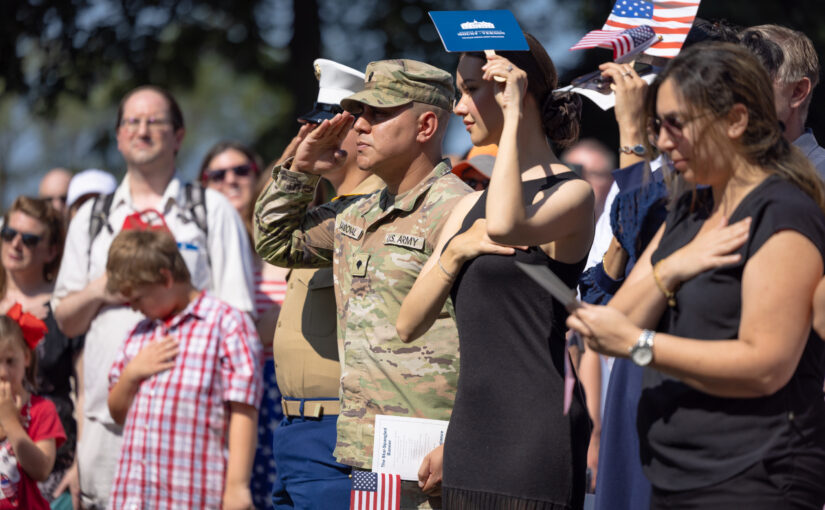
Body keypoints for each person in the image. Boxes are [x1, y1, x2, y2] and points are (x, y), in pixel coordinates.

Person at [567, 42, 825, 509]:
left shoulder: (782, 212)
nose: (663, 143)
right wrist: (675, 267)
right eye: (657, 125)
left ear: (736, 121)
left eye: (675, 125)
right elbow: (613, 321)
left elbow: (765, 365)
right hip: (672, 477)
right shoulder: (690, 208)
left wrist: (641, 345)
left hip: (753, 482)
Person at [255, 59, 470, 509]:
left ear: (426, 125)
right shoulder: (357, 214)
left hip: (429, 453)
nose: (361, 127)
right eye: (360, 114)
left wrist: (466, 439)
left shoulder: (461, 212)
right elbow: (275, 242)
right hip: (366, 452)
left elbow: (495, 344)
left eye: (377, 114)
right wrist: (301, 170)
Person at [396, 33, 593, 509]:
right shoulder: (467, 211)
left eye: (471, 89)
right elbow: (407, 323)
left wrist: (515, 115)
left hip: (535, 436)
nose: (459, 106)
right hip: (468, 437)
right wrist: (457, 250)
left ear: (515, 89)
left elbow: (505, 225)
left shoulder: (571, 192)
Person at [52, 85, 256, 509]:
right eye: (131, 121)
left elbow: (238, 318)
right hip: (106, 424)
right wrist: (103, 290)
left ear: (179, 135)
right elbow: (65, 321)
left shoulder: (210, 209)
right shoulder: (91, 217)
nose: (141, 130)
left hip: (193, 434)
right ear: (118, 135)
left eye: (154, 121)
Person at [266, 58, 384, 510]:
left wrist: (300, 168)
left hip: (345, 433)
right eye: (313, 129)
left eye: (328, 129)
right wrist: (296, 164)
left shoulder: (371, 214)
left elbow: (269, 239)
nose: (315, 140)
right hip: (295, 430)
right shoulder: (325, 214)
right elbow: (269, 234)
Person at [105, 229, 262, 510]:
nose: (133, 309)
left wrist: (237, 487)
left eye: (138, 299)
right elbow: (117, 414)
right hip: (134, 497)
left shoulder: (225, 324)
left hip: (191, 494)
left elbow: (243, 409)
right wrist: (131, 375)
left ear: (165, 278)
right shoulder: (139, 335)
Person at [199, 139, 289, 509]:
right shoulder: (196, 252)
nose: (230, 180)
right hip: (215, 391)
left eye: (241, 171)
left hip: (278, 392)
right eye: (217, 174)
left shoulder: (283, 244)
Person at [0, 197, 82, 505]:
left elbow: (86, 393)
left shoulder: (66, 308)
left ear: (51, 251)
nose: (16, 243)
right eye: (9, 233)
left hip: (52, 468)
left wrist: (81, 465)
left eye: (30, 239)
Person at [0, 305, 66, 509]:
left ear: (26, 358)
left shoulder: (42, 409)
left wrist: (11, 422)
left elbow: (41, 470)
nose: (3, 372)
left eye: (11, 361)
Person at [740, 24, 825, 177]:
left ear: (797, 92)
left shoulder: (820, 178)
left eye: (753, 80)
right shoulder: (706, 178)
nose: (732, 94)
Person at [562, 139, 616, 219]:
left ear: (612, 181)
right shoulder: (545, 228)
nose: (583, 181)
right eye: (574, 173)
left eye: (593, 174)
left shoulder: (622, 228)